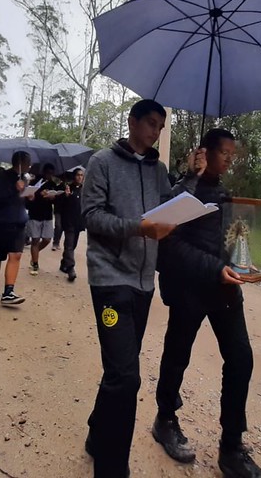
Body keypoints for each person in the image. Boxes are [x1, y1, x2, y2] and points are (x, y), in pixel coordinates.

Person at [81, 99, 205, 478]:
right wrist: (139, 227)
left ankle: (95, 434)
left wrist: (192, 176)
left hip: (142, 283)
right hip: (109, 283)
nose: (155, 131)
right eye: (151, 123)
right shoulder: (102, 162)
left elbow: (168, 205)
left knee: (119, 370)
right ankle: (111, 468)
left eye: (160, 127)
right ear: (132, 122)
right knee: (126, 375)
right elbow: (90, 216)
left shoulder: (158, 169)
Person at [153, 128, 261, 478]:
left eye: (233, 154)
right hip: (190, 289)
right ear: (206, 152)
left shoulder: (225, 194)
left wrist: (243, 264)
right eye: (225, 153)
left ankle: (231, 447)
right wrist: (216, 268)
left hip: (225, 293)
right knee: (177, 354)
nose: (230, 160)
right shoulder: (183, 190)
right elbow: (170, 244)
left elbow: (233, 243)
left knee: (241, 360)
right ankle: (165, 418)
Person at [0, 150, 32, 305]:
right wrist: (13, 190)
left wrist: (29, 196)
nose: (29, 166)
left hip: (18, 222)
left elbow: (21, 202)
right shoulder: (0, 178)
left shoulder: (24, 179)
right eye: (28, 162)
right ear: (21, 163)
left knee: (16, 255)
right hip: (0, 223)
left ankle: (9, 292)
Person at [24, 163, 60, 275]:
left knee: (47, 239)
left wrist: (52, 197)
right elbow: (27, 201)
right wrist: (33, 197)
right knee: (35, 239)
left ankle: (35, 252)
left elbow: (57, 200)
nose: (50, 175)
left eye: (52, 173)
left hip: (47, 215)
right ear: (44, 172)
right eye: (48, 173)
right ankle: (35, 263)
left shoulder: (53, 184)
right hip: (35, 214)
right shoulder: (35, 183)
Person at [56, 167, 84, 282]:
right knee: (69, 245)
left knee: (73, 245)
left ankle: (64, 263)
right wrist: (66, 196)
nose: (80, 177)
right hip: (68, 222)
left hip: (79, 222)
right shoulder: (67, 188)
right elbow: (59, 205)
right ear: (74, 176)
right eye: (78, 175)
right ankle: (71, 269)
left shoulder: (85, 190)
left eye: (82, 175)